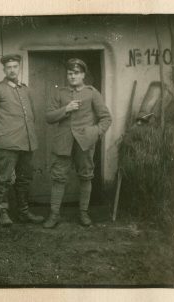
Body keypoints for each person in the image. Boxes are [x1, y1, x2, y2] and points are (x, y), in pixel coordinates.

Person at [43, 58, 112, 228]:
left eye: (76, 73)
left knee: (86, 176)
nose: (72, 76)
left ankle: (83, 213)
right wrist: (66, 109)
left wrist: (94, 133)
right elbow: (49, 117)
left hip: (85, 142)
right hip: (63, 142)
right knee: (59, 177)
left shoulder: (92, 93)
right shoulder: (59, 93)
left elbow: (106, 118)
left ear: (83, 75)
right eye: (69, 73)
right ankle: (54, 214)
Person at [0, 54, 44, 227]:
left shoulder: (25, 89)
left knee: (24, 178)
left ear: (19, 68)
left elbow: (32, 115)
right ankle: (2, 213)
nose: (12, 70)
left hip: (27, 142)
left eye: (15, 66)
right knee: (4, 179)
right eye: (9, 67)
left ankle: (23, 212)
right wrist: (1, 134)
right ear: (4, 70)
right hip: (7, 144)